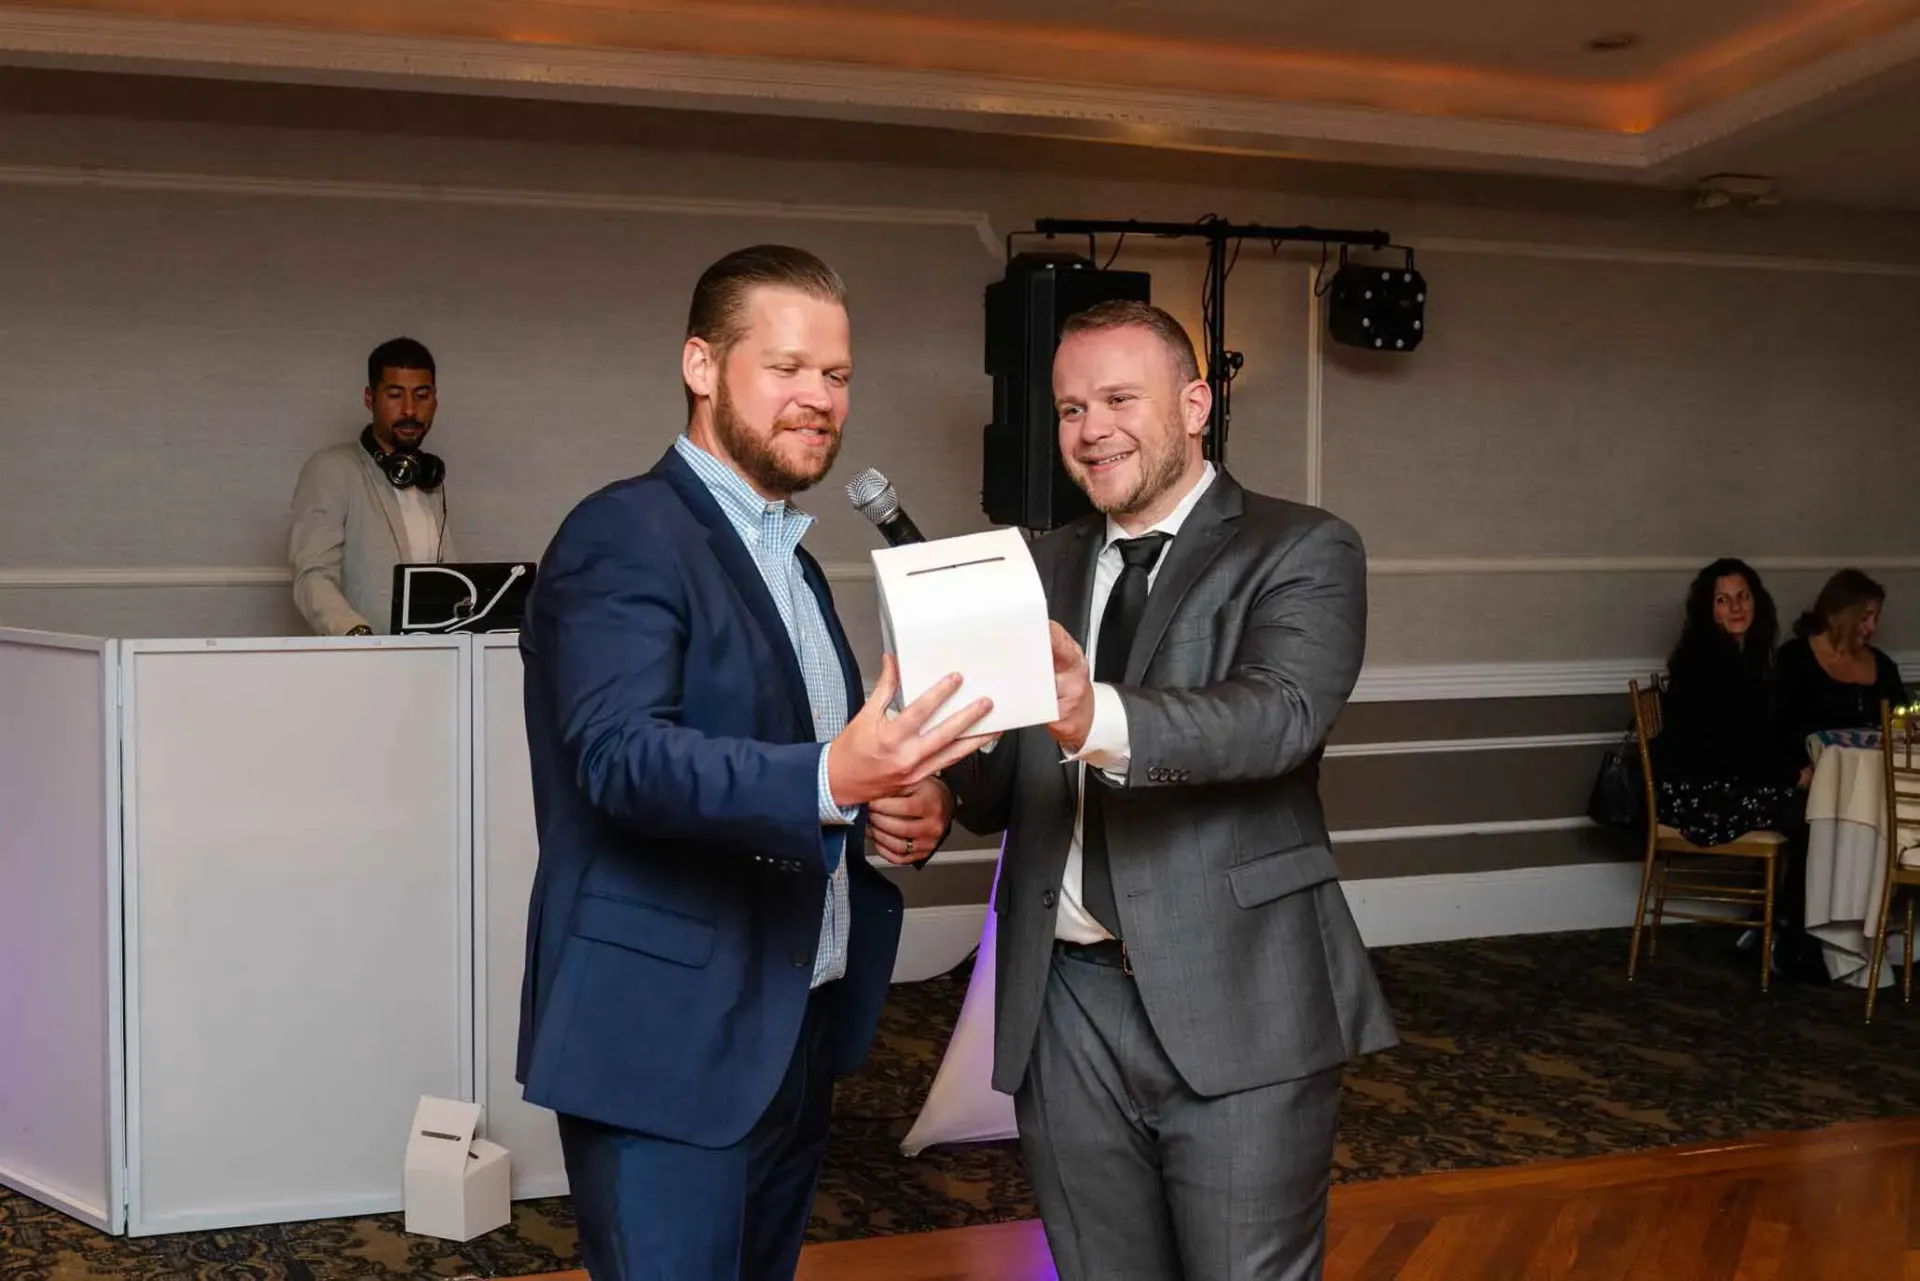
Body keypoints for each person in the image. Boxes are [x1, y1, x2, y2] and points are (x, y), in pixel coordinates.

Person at [514, 245, 993, 1281]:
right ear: (701, 365)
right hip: (666, 1044)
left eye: (837, 374)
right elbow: (621, 758)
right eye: (787, 367)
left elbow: (812, 761)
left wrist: (897, 805)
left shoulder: (797, 563)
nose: (819, 397)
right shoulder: (623, 531)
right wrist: (833, 780)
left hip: (790, 1033)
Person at [941, 300, 1396, 1281]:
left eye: (1118, 399)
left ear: (1195, 405)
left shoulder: (1302, 546)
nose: (1091, 429)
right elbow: (991, 791)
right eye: (1071, 409)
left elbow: (1278, 716)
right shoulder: (1032, 565)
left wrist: (1091, 714)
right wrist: (927, 764)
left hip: (1243, 995)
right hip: (1062, 1004)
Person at [288, 337, 455, 635]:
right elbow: (313, 574)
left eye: (421, 395)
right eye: (395, 395)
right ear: (370, 399)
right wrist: (356, 634)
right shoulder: (332, 469)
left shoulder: (429, 477)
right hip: (364, 657)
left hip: (435, 656)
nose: (409, 410)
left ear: (435, 400)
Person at [1652, 558, 1803, 848]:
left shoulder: (1746, 659)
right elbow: (1736, 749)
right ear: (1708, 610)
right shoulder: (1707, 665)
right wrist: (1792, 774)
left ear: (1756, 602)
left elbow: (1756, 740)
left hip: (1723, 784)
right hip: (1699, 799)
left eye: (1743, 596)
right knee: (1813, 811)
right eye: (1723, 600)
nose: (1736, 607)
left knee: (1815, 804)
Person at [1777, 568, 1909, 762]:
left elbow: (1903, 725)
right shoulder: (1794, 658)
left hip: (1876, 773)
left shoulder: (1883, 666)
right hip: (1813, 773)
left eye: (1876, 617)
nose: (1873, 627)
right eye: (1865, 618)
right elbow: (1779, 727)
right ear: (1837, 615)